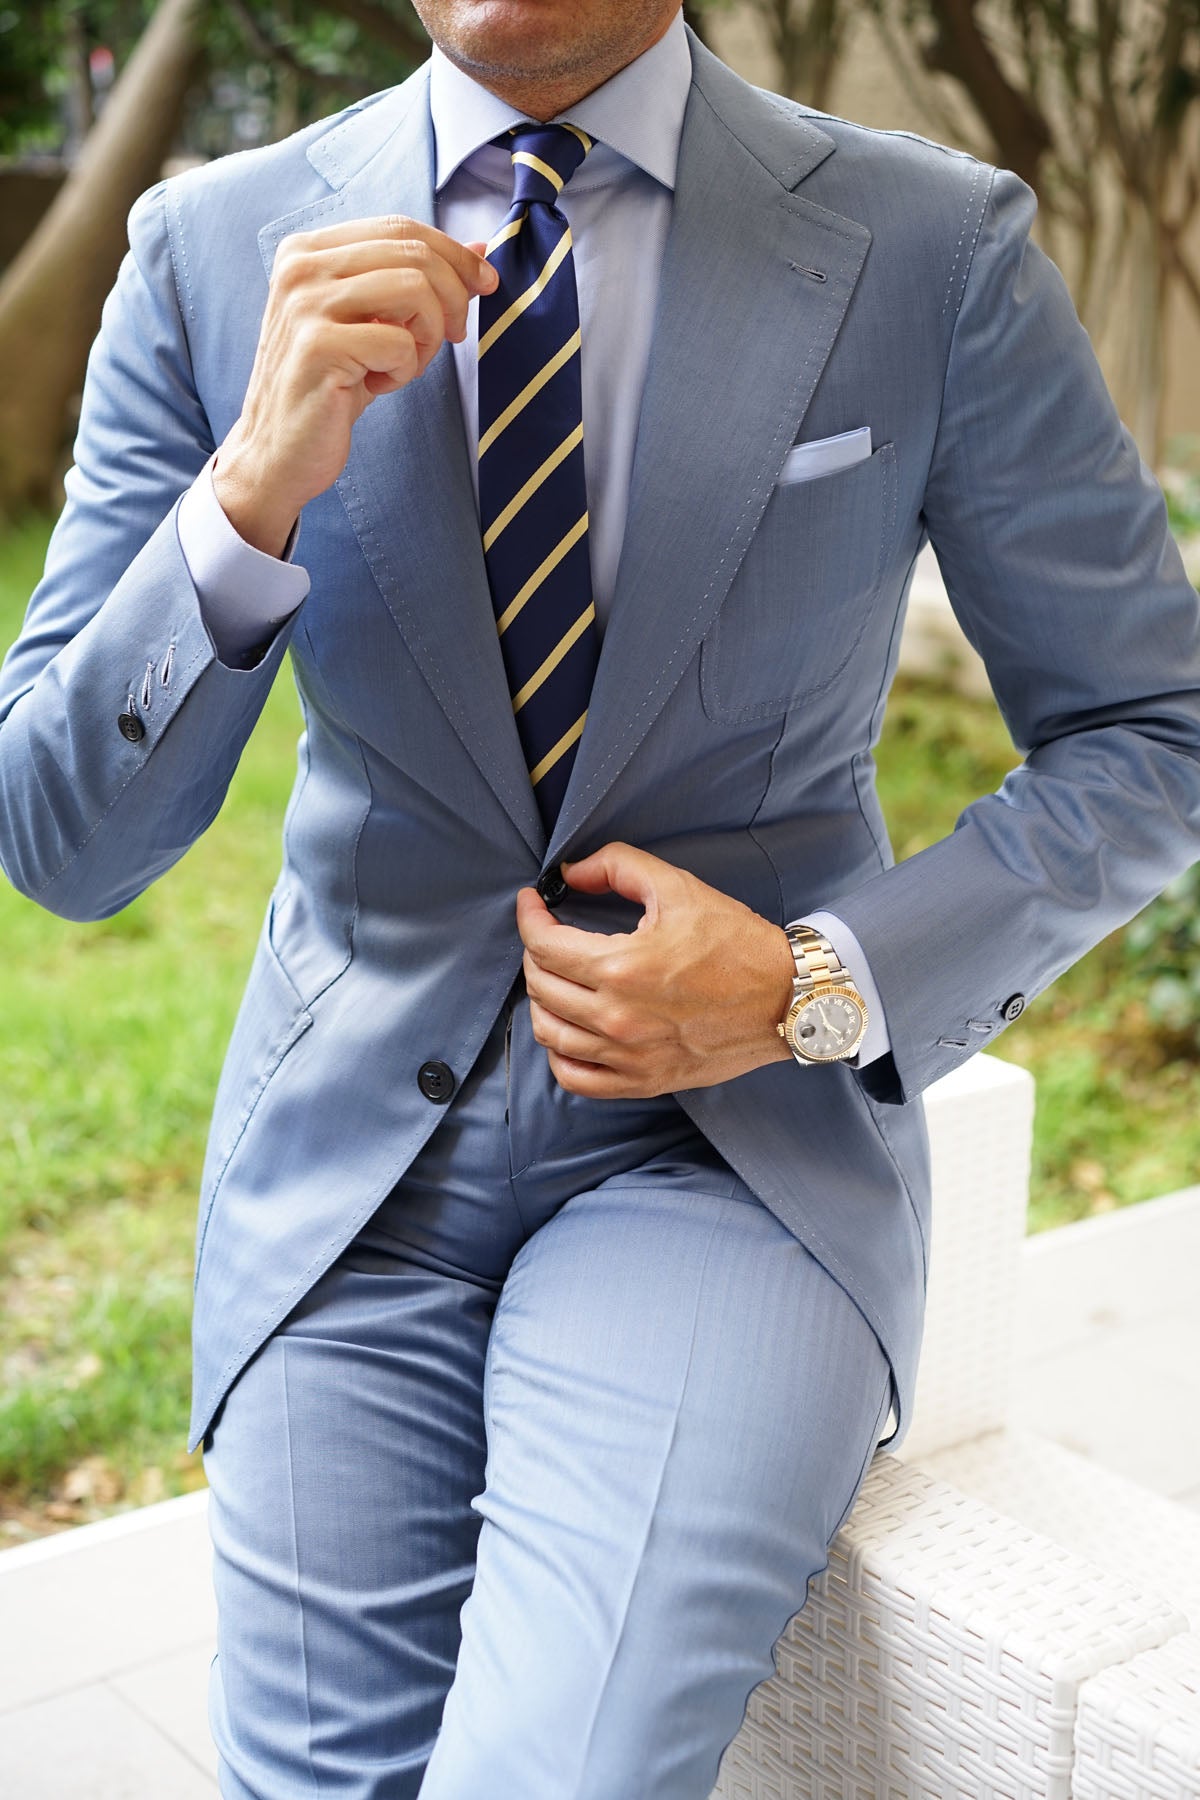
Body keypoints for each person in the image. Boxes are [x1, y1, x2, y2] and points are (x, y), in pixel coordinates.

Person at [2, 0, 1199, 1793]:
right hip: (346, 1176)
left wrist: (814, 980)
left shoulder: (928, 246)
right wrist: (244, 503)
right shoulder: (208, 247)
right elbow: (63, 838)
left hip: (728, 1158)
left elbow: (1152, 729)